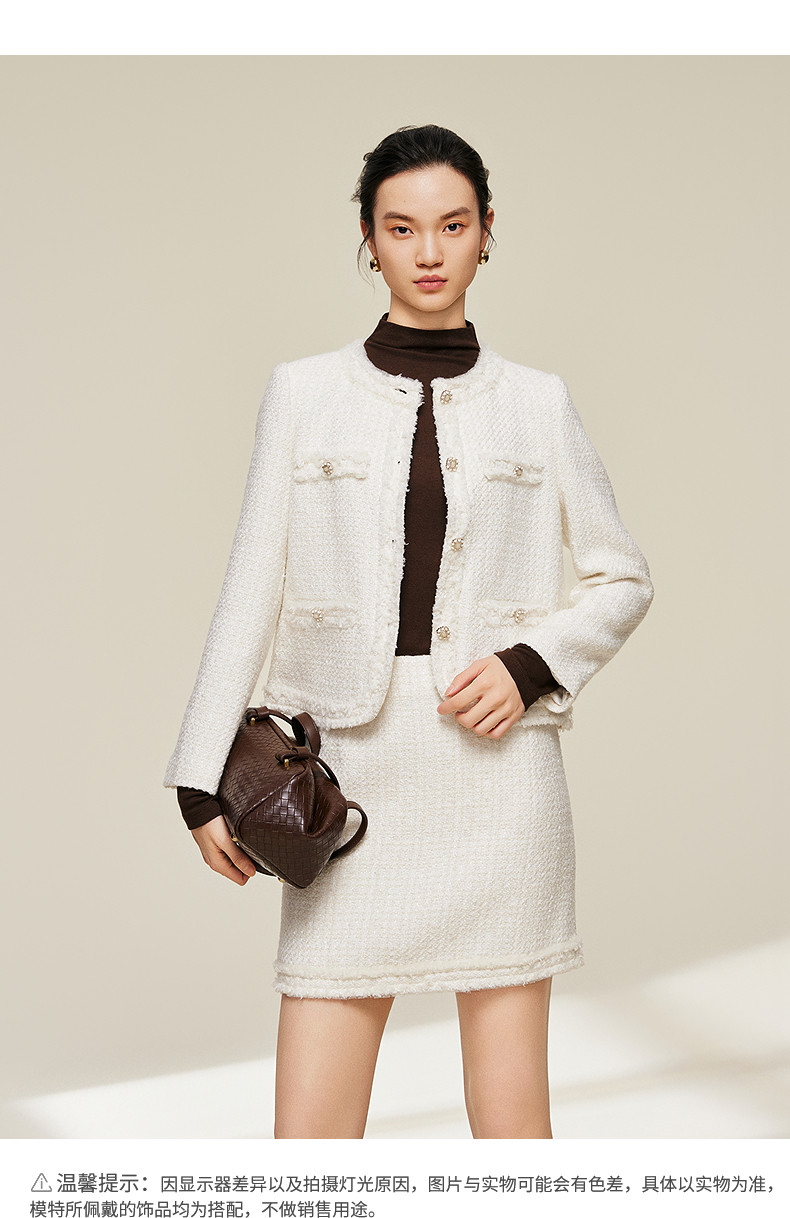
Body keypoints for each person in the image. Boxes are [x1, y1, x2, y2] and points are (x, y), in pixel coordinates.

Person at [163, 124, 654, 1139]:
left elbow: (622, 577)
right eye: (401, 228)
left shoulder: (538, 403)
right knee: (311, 1150)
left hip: (500, 781)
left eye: (452, 225)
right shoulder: (303, 393)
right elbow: (251, 582)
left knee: (514, 1141)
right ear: (368, 238)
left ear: (486, 233)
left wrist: (531, 665)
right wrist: (198, 773)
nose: (428, 252)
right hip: (348, 783)